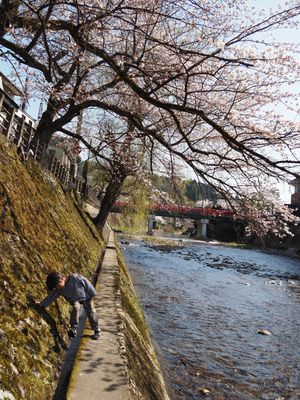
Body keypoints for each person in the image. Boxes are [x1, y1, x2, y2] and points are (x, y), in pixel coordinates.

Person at [37, 271, 101, 340]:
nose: (57, 288)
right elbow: (52, 296)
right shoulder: (59, 289)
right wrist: (42, 304)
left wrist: (92, 292)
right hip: (74, 299)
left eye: (57, 285)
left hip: (86, 296)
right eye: (55, 287)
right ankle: (73, 328)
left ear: (62, 279)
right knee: (76, 308)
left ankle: (96, 329)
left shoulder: (75, 278)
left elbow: (86, 283)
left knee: (91, 311)